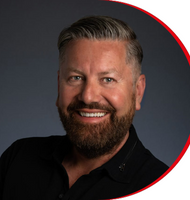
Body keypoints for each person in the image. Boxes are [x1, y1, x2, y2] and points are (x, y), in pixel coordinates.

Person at [0, 16, 168, 200]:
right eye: (76, 78)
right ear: (59, 85)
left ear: (138, 91)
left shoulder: (164, 189)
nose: (88, 96)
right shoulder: (18, 159)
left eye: (108, 79)